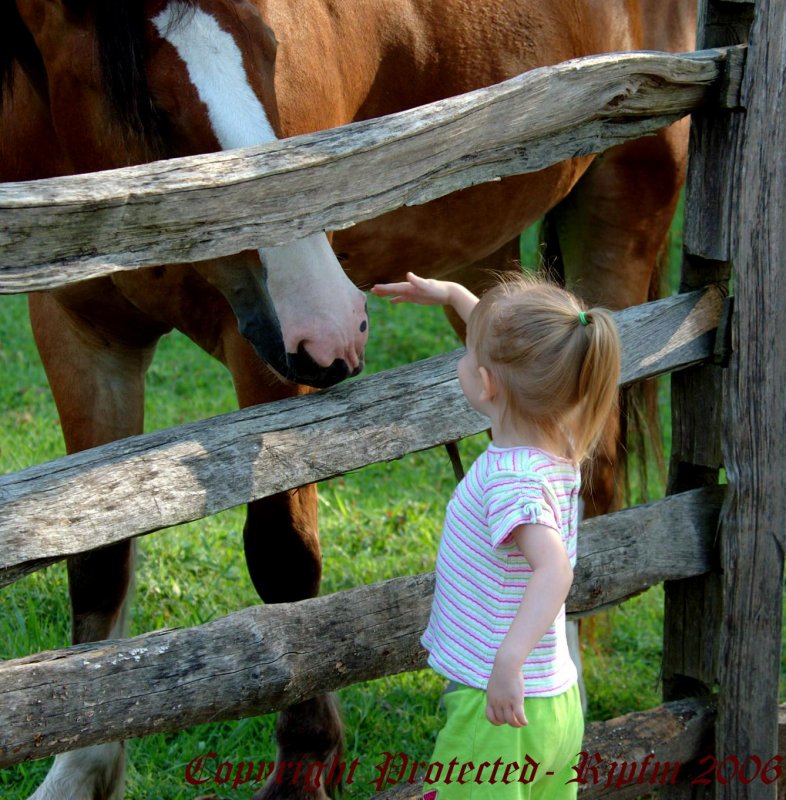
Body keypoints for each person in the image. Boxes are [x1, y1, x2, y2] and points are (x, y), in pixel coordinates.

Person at [370, 271, 622, 799]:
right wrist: (455, 296)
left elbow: (554, 568)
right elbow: (514, 351)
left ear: (485, 383)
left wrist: (506, 662)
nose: (462, 360)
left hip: (498, 707)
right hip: (554, 700)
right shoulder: (564, 439)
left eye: (466, 354)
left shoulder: (511, 480)